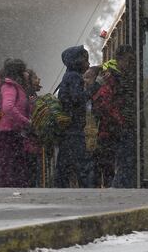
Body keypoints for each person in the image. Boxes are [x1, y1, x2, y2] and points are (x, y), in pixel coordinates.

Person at [54, 45, 100, 188]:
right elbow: (77, 99)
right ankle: (88, 189)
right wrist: (94, 87)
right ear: (78, 61)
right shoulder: (74, 77)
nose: (89, 63)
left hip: (68, 129)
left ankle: (59, 188)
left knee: (64, 165)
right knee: (83, 165)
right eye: (86, 60)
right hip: (74, 129)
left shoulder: (67, 76)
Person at [0, 58, 32, 188]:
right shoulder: (10, 87)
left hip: (13, 132)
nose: (27, 73)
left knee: (13, 165)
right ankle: (8, 190)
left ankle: (12, 188)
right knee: (10, 166)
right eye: (24, 71)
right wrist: (25, 121)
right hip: (9, 133)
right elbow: (8, 107)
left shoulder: (16, 87)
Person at [91, 63, 122, 187]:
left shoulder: (105, 89)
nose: (105, 75)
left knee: (103, 164)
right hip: (109, 132)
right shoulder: (109, 89)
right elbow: (108, 110)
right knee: (108, 164)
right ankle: (108, 185)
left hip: (105, 132)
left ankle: (102, 185)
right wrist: (120, 121)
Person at [111, 45, 137, 188]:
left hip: (127, 123)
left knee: (128, 161)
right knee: (125, 161)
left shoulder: (125, 76)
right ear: (119, 60)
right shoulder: (114, 77)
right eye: (128, 60)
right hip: (122, 125)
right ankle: (120, 187)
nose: (130, 64)